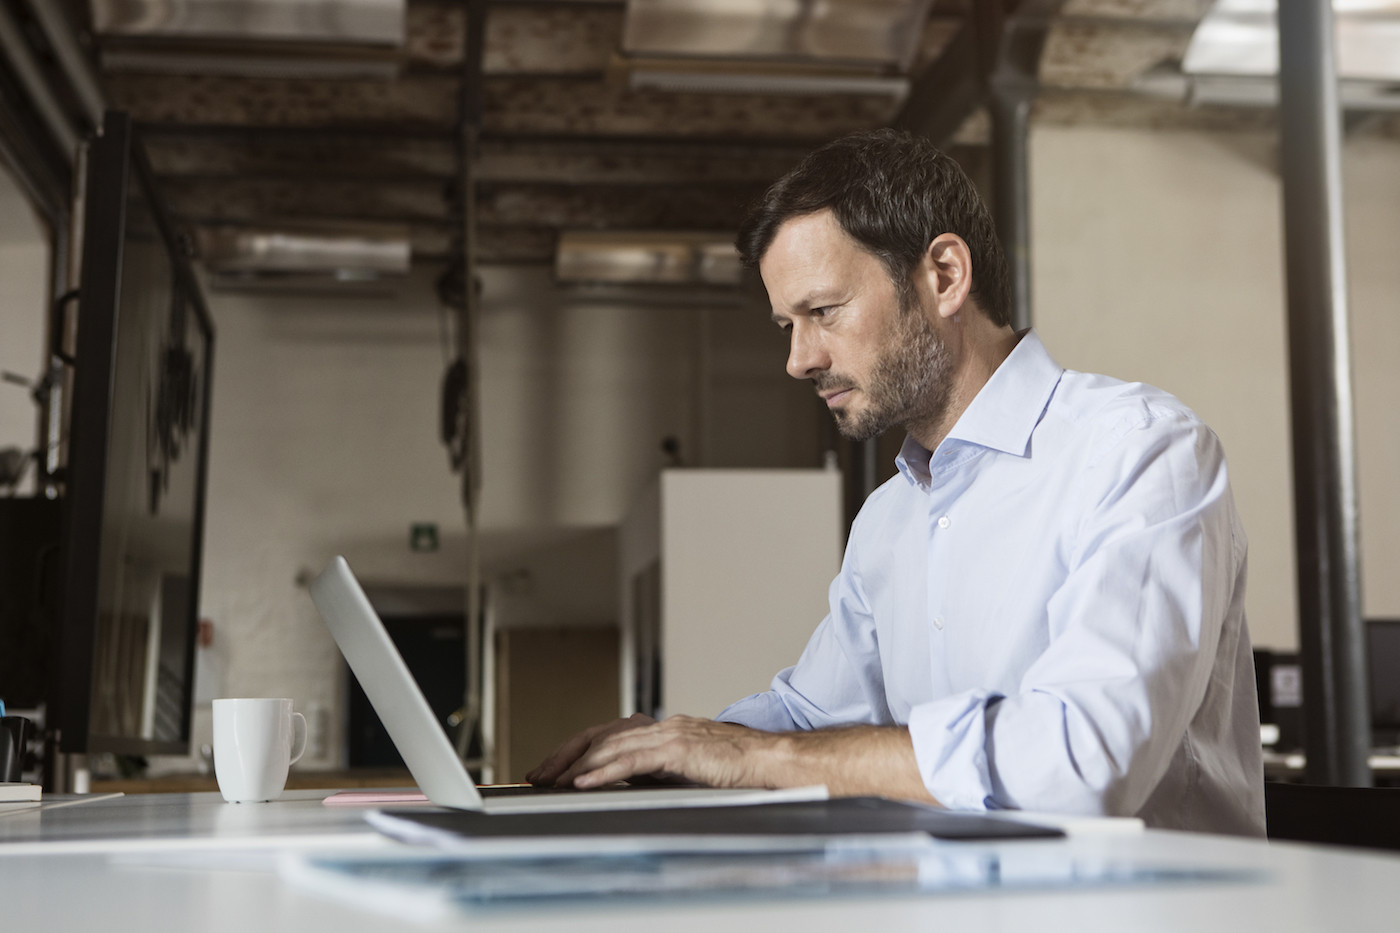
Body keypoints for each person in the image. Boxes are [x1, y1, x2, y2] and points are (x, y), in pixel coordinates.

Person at [527, 129, 1266, 836]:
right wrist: (670, 750)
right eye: (787, 324)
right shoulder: (890, 517)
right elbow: (814, 717)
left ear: (944, 276)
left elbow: (1084, 761)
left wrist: (754, 756)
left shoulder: (1138, 452)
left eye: (822, 311)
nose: (799, 359)